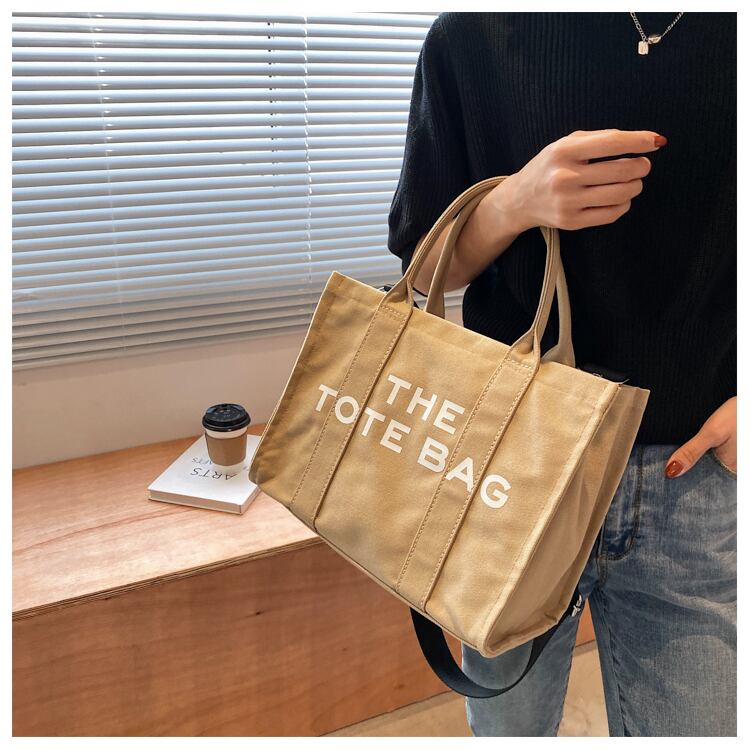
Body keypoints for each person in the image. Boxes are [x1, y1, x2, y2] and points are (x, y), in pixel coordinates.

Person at [387, 12, 736, 738]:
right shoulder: (475, 33)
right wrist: (514, 202)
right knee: (508, 730)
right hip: (508, 465)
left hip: (693, 478)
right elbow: (424, 269)